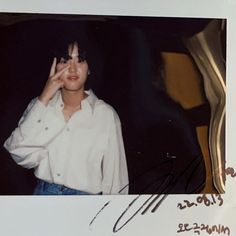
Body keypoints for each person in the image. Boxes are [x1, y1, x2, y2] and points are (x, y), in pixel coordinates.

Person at [4, 40, 129, 195]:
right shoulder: (40, 106)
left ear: (89, 68)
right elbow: (18, 152)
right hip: (43, 197)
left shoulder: (105, 115)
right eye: (65, 60)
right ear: (55, 66)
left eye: (80, 60)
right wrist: (44, 97)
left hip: (85, 204)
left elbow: (116, 179)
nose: (72, 68)